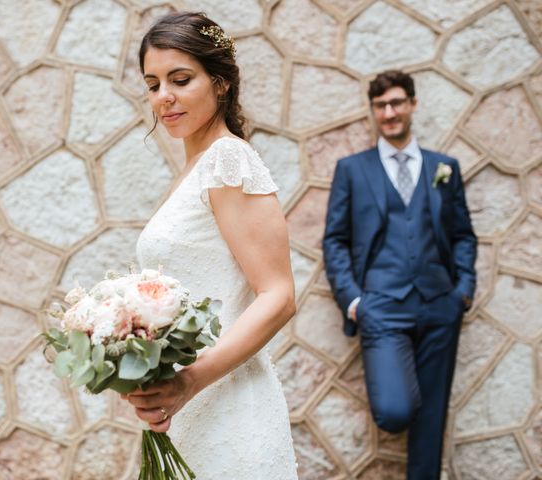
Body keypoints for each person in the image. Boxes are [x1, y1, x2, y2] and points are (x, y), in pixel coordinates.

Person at [124, 11, 298, 479]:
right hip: (189, 407)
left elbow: (279, 296)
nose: (164, 97)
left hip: (229, 405)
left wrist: (190, 380)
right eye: (153, 83)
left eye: (181, 79)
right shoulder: (197, 168)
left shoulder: (228, 160)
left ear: (220, 82)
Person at [323, 70, 477, 479]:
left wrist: (462, 290)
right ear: (373, 111)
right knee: (394, 411)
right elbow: (335, 240)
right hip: (382, 309)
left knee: (432, 421)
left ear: (412, 104)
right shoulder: (352, 170)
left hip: (440, 306)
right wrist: (354, 302)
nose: (389, 113)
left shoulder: (445, 168)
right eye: (380, 106)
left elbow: (463, 234)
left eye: (396, 103)